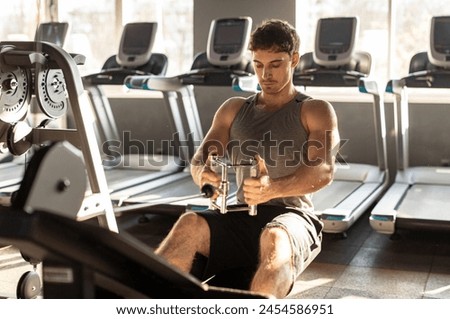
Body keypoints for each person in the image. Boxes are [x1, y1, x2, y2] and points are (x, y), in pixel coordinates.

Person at [155, 19, 340, 298]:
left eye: (275, 64)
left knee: (274, 236)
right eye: (258, 64)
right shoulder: (233, 109)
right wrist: (204, 175)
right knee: (189, 223)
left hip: (293, 216)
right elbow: (199, 160)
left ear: (294, 60)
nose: (266, 74)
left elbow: (323, 171)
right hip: (241, 214)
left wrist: (272, 189)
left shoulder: (314, 110)